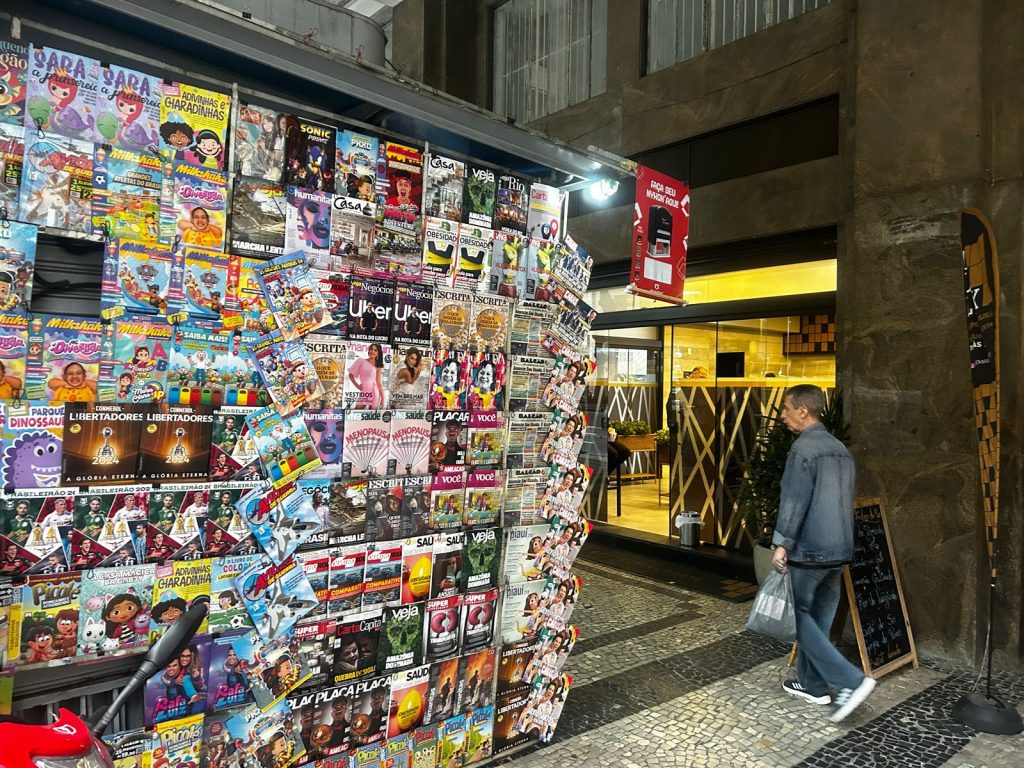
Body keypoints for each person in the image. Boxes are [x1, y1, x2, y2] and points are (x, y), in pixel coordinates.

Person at [771, 384, 874, 723]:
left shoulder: (804, 449)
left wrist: (783, 541)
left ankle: (850, 681)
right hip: (838, 550)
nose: (782, 415)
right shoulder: (840, 448)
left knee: (801, 622)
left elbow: (795, 500)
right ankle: (814, 686)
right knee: (819, 620)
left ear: (804, 410)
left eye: (786, 408)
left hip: (809, 550)